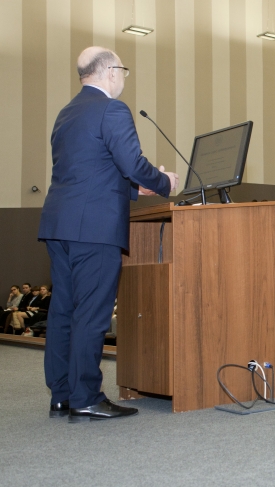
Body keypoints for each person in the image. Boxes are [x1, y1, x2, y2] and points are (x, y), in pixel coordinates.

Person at [37, 47, 180, 421]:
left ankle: (62, 395)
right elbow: (131, 162)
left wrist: (134, 189)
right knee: (92, 312)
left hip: (59, 223)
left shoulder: (66, 113)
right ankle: (86, 396)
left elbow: (88, 168)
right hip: (94, 226)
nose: (123, 78)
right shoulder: (112, 109)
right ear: (111, 71)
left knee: (64, 310)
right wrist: (163, 182)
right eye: (123, 71)